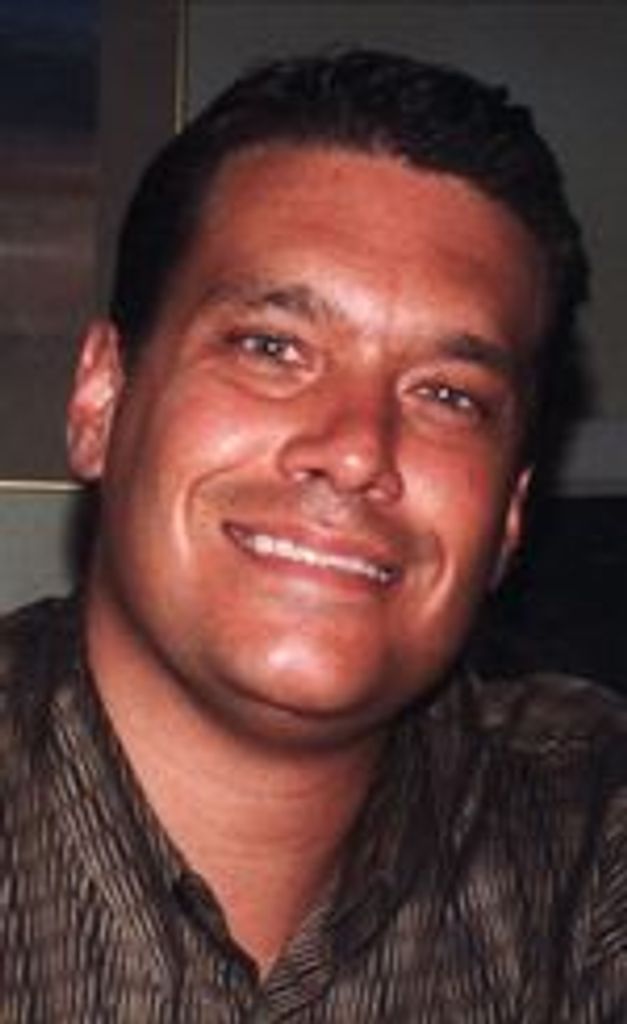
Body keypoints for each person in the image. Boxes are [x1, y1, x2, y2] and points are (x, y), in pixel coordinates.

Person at [2, 49, 625, 1022]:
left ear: (510, 511)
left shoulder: (586, 826)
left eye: (448, 395)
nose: (357, 449)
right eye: (272, 348)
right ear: (102, 402)